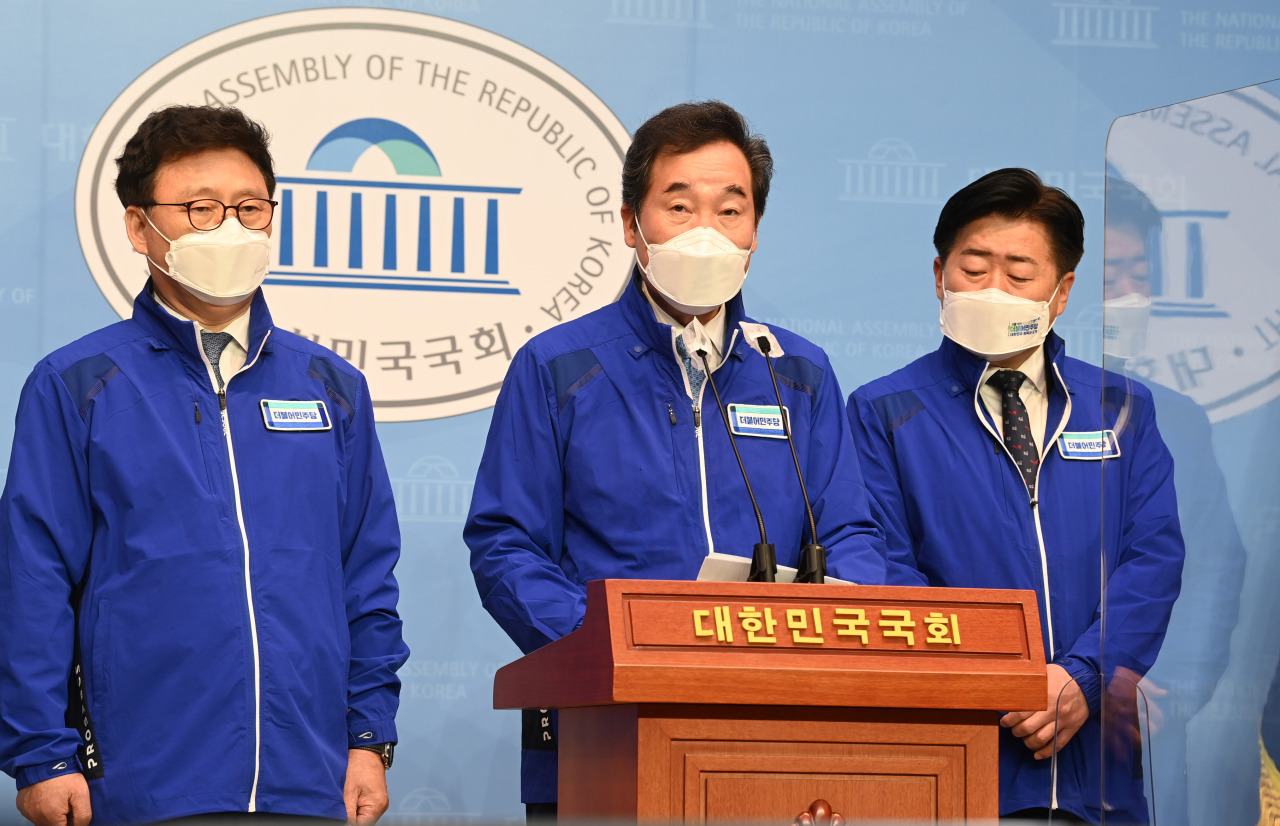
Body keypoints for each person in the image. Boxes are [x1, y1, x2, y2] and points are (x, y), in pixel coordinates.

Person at [464, 100, 887, 818]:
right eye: (679, 206)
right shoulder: (560, 366)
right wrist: (610, 644)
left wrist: (818, 641)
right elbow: (506, 546)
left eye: (730, 210)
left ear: (756, 230)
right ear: (632, 225)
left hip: (778, 736)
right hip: (608, 732)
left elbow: (851, 538)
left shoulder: (799, 372)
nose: (705, 233)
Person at [0, 105, 409, 826]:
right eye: (199, 208)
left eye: (250, 208)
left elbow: (365, 578)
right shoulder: (77, 384)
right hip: (140, 783)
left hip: (310, 782)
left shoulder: (332, 387)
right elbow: (33, 581)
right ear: (138, 227)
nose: (230, 229)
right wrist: (44, 754)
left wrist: (368, 739)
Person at [847, 168, 1185, 823]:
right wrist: (1008, 681)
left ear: (1061, 293)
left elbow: (1152, 560)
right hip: (961, 762)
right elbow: (885, 571)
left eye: (1019, 273)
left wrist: (1083, 676)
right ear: (939, 273)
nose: (993, 289)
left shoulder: (1119, 407)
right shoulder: (883, 412)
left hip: (1098, 770)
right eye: (974, 268)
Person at [1102, 176, 1246, 826]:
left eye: (1140, 274)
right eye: (1111, 276)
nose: (1129, 296)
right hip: (1022, 722)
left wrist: (1165, 691)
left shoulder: (1177, 420)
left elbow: (1214, 564)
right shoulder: (974, 413)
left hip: (1140, 737)